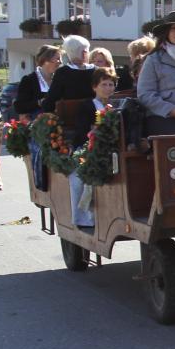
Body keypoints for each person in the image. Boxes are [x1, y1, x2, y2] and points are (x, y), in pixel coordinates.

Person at [71, 65, 119, 229]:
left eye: (111, 84)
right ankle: (83, 218)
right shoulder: (88, 106)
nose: (108, 88)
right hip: (90, 149)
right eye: (103, 84)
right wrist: (96, 132)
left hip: (115, 149)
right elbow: (81, 132)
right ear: (94, 87)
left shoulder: (118, 105)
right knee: (78, 176)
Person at [41, 35, 95, 111]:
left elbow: (52, 98)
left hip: (71, 114)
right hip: (97, 113)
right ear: (84, 52)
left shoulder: (62, 72)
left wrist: (44, 105)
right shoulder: (97, 70)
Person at [14, 45, 61, 120]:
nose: (60, 62)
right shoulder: (29, 80)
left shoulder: (59, 79)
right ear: (46, 60)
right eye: (58, 59)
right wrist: (39, 102)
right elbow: (19, 107)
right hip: (37, 124)